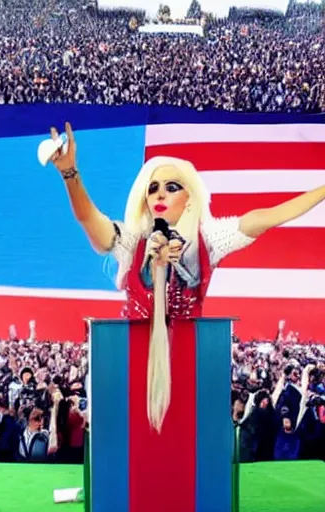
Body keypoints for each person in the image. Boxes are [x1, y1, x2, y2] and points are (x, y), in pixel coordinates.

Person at [47, 121, 325, 432]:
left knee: (183, 438)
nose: (160, 194)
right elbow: (88, 217)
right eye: (153, 188)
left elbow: (266, 218)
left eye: (171, 186)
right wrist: (70, 173)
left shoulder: (208, 240)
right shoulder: (131, 242)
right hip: (131, 356)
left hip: (189, 358)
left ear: (189, 197)